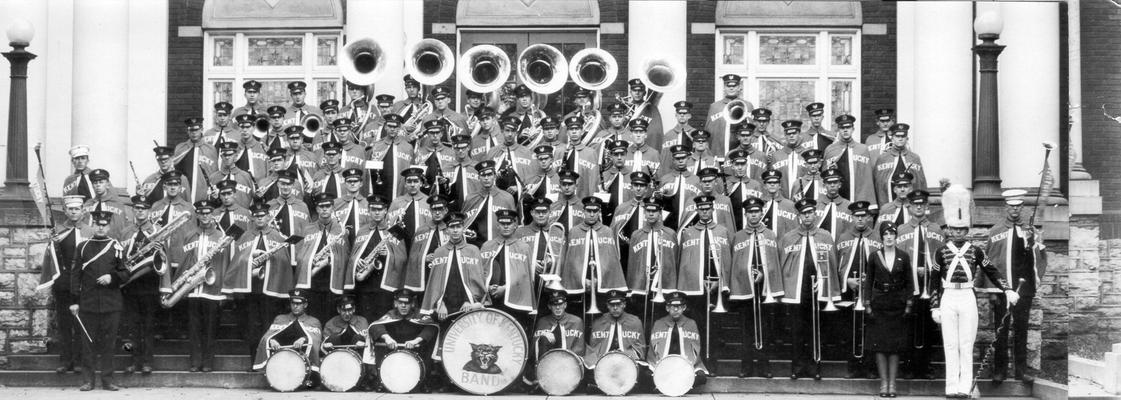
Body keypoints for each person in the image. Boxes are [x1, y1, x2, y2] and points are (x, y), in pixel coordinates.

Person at [931, 206, 1018, 399]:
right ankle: (951, 387)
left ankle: (965, 386)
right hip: (948, 297)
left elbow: (992, 271)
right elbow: (933, 281)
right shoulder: (941, 252)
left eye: (961, 230)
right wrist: (934, 306)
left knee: (966, 343)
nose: (958, 233)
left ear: (966, 231)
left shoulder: (976, 251)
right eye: (954, 229)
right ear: (949, 231)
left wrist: (1008, 289)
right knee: (950, 344)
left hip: (967, 297)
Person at [982, 189, 1046, 384]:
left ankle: (1020, 371)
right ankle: (1000, 370)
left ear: (1023, 208)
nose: (1015, 210)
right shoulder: (996, 231)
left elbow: (1040, 259)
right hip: (1002, 290)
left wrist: (1033, 242)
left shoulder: (1031, 230)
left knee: (1021, 330)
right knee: (1001, 330)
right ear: (1006, 207)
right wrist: (993, 291)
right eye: (1011, 206)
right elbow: (989, 261)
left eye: (1018, 206)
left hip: (1023, 289)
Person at [168, 199, 233, 373]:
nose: (205, 216)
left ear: (213, 214)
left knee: (211, 328)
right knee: (194, 328)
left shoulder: (221, 237)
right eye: (202, 213)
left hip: (212, 289)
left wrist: (225, 290)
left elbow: (226, 263)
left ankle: (208, 362)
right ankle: (195, 362)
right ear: (197, 215)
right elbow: (184, 260)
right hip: (192, 288)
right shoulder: (190, 235)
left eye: (208, 213)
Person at [779, 198, 840, 380]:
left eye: (810, 213)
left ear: (815, 214)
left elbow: (831, 262)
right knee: (797, 330)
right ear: (798, 216)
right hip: (797, 291)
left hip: (817, 290)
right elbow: (784, 265)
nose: (807, 216)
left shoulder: (825, 235)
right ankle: (797, 366)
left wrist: (824, 282)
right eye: (803, 213)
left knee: (815, 330)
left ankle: (814, 366)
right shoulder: (789, 237)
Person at [229, 200, 294, 366]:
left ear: (268, 216)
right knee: (253, 329)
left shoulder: (277, 236)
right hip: (251, 290)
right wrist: (251, 255)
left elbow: (284, 262)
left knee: (269, 327)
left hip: (270, 291)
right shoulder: (246, 236)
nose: (259, 218)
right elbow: (238, 260)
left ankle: (270, 363)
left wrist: (268, 257)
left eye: (262, 215)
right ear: (252, 218)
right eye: (256, 216)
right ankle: (255, 362)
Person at [70, 211, 129, 391]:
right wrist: (74, 301)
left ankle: (107, 380)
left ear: (109, 226)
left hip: (111, 304)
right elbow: (75, 276)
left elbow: (126, 272)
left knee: (109, 344)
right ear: (92, 225)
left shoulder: (116, 246)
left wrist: (112, 277)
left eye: (104, 225)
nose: (101, 227)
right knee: (87, 344)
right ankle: (88, 380)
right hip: (88, 304)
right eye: (97, 224)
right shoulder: (82, 247)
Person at [674, 195, 733, 370]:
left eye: (708, 209)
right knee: (696, 325)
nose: (705, 212)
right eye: (701, 209)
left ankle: (712, 360)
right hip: (695, 289)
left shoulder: (722, 231)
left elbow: (727, 261)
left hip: (716, 287)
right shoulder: (688, 232)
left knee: (714, 327)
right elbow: (684, 262)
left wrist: (720, 282)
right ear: (697, 210)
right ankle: (697, 360)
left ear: (713, 210)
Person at [37, 195, 91, 374]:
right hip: (63, 283)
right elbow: (51, 259)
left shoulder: (89, 232)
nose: (74, 212)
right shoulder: (58, 232)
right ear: (66, 211)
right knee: (64, 323)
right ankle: (65, 360)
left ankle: (79, 361)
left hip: (83, 284)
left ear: (83, 210)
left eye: (77, 209)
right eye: (71, 209)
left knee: (81, 323)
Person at [730, 197, 781, 378]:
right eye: (750, 212)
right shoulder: (739, 236)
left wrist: (763, 275)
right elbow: (737, 263)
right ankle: (746, 366)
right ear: (745, 215)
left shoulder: (770, 234)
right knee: (746, 330)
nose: (753, 215)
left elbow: (774, 262)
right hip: (746, 289)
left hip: (765, 289)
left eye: (756, 212)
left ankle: (764, 365)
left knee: (765, 329)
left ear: (761, 213)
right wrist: (747, 275)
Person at [897, 189, 945, 379]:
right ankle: (908, 366)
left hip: (929, 285)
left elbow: (941, 257)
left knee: (928, 327)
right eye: (915, 204)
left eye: (922, 204)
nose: (918, 207)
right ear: (909, 207)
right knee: (907, 326)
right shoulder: (901, 230)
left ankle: (925, 367)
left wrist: (929, 269)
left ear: (927, 207)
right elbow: (898, 259)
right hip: (908, 286)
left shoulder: (935, 229)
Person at [863, 222, 913, 398]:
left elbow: (909, 282)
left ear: (896, 236)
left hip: (897, 305)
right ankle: (883, 384)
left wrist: (908, 303)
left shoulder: (904, 256)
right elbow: (868, 281)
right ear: (882, 237)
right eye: (886, 234)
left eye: (892, 233)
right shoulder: (874, 256)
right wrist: (867, 303)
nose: (889, 237)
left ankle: (893, 384)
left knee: (894, 347)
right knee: (880, 346)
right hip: (879, 305)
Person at [835, 201, 882, 379]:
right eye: (857, 216)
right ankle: (853, 366)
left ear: (869, 217)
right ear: (852, 217)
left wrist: (869, 282)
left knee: (870, 329)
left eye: (864, 216)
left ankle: (870, 367)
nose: (860, 219)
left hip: (871, 292)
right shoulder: (843, 237)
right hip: (849, 291)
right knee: (850, 329)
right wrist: (846, 280)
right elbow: (837, 264)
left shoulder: (876, 237)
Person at [119, 195, 166, 375]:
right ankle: (133, 361)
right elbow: (121, 258)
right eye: (137, 208)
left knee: (147, 325)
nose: (140, 212)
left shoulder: (156, 230)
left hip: (149, 283)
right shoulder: (126, 231)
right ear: (133, 210)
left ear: (149, 211)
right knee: (132, 326)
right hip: (130, 285)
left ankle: (147, 362)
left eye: (143, 209)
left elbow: (163, 258)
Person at [558, 197, 627, 317]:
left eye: (595, 211)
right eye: (588, 211)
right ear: (583, 211)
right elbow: (571, 261)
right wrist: (582, 279)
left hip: (602, 284)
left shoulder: (607, 231)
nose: (591, 214)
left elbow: (611, 261)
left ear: (599, 212)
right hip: (580, 282)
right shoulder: (574, 231)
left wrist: (599, 280)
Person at [365, 289, 439, 393]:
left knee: (428, 345)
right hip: (393, 350)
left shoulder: (419, 314)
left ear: (412, 304)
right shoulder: (391, 314)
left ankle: (424, 382)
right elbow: (374, 326)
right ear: (396, 303)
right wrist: (387, 338)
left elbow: (432, 327)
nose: (403, 306)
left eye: (407, 303)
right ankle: (382, 381)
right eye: (400, 303)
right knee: (379, 344)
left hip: (416, 350)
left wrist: (416, 341)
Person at [349, 195, 408, 322]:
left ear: (386, 210)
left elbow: (403, 257)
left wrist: (388, 255)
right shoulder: (362, 231)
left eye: (380, 209)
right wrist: (357, 260)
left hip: (384, 284)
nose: (376, 212)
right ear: (369, 211)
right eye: (373, 209)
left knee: (382, 318)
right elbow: (353, 255)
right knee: (364, 317)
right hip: (364, 284)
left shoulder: (395, 230)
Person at [419, 212, 488, 320]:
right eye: (452, 227)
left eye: (458, 226)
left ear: (463, 228)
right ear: (447, 230)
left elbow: (478, 279)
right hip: (445, 307)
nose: (455, 230)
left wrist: (468, 300)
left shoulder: (473, 250)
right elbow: (435, 283)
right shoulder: (439, 252)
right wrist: (440, 304)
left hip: (468, 305)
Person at [294, 192, 351, 323]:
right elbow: (300, 254)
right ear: (317, 209)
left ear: (333, 208)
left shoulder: (341, 230)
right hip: (312, 280)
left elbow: (346, 255)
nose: (324, 209)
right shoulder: (308, 228)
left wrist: (330, 260)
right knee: (313, 314)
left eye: (328, 206)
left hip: (332, 278)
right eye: (321, 206)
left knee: (330, 316)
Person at [625, 198, 677, 326]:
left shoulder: (670, 234)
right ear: (644, 212)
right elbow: (632, 264)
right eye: (648, 210)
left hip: (664, 285)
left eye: (654, 211)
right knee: (642, 320)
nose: (651, 214)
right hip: (641, 285)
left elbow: (675, 260)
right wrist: (632, 287)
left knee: (662, 320)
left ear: (660, 213)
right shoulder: (636, 235)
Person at [483, 209, 537, 332]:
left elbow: (526, 277)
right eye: (502, 223)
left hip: (516, 301)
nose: (506, 226)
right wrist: (488, 287)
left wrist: (505, 288)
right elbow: (481, 272)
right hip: (491, 299)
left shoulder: (523, 247)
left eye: (509, 223)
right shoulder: (487, 246)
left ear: (515, 225)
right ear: (497, 225)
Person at [585, 290, 648, 392]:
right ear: (607, 306)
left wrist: (624, 355)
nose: (615, 308)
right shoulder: (598, 322)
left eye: (618, 304)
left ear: (624, 304)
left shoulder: (635, 321)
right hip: (604, 363)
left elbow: (640, 348)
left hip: (628, 362)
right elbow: (593, 350)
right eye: (612, 304)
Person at [252, 289, 323, 379]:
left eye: (298, 304)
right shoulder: (280, 319)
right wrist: (272, 340)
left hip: (303, 361)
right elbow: (267, 336)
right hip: (281, 359)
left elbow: (316, 340)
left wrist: (304, 339)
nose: (295, 306)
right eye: (293, 303)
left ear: (305, 305)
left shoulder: (313, 321)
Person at [647, 292, 708, 387]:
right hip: (663, 362)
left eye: (679, 306)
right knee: (646, 375)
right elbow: (654, 347)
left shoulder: (691, 323)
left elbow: (695, 348)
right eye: (672, 306)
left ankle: (674, 385)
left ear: (684, 308)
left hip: (684, 363)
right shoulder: (659, 323)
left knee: (701, 377)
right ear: (667, 308)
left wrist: (687, 365)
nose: (675, 309)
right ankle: (673, 384)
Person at [531, 290, 587, 386]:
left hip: (569, 365)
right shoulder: (542, 321)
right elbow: (533, 349)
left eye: (560, 304)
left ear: (565, 305)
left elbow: (580, 349)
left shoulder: (576, 321)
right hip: (547, 365)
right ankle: (542, 379)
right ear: (549, 306)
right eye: (554, 304)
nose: (557, 307)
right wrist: (543, 336)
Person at [824, 114, 876, 205]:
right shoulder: (830, 150)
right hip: (838, 200)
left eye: (848, 127)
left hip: (859, 198)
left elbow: (867, 179)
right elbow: (824, 177)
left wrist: (870, 202)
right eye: (842, 128)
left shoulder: (863, 149)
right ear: (838, 130)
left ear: (853, 129)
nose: (845, 130)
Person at [873, 123, 928, 206]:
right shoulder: (882, 158)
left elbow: (921, 182)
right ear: (892, 138)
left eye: (903, 136)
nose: (900, 139)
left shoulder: (914, 158)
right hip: (888, 202)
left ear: (907, 138)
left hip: (911, 204)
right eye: (897, 136)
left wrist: (925, 203)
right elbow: (877, 184)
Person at [704, 74, 754, 156]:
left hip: (742, 156)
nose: (731, 88)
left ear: (739, 87)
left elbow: (753, 130)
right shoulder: (715, 107)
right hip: (719, 153)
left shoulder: (748, 106)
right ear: (724, 87)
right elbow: (709, 130)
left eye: (734, 86)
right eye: (728, 86)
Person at [173, 117, 219, 202]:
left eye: (196, 130)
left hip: (203, 194)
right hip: (185, 193)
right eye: (191, 130)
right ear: (188, 131)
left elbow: (214, 174)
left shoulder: (210, 149)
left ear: (201, 129)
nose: (194, 133)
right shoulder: (181, 148)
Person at [656, 145, 702, 230]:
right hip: (668, 225)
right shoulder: (665, 179)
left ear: (688, 158)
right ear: (673, 160)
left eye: (683, 158)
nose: (680, 161)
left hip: (690, 224)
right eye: (677, 158)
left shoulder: (696, 180)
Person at [321, 296, 370, 370]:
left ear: (354, 309)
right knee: (333, 338)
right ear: (338, 310)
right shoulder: (330, 323)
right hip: (337, 360)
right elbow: (323, 343)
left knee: (358, 338)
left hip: (358, 359)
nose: (347, 314)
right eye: (344, 310)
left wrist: (364, 342)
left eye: (349, 310)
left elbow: (369, 341)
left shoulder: (362, 321)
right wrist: (326, 344)